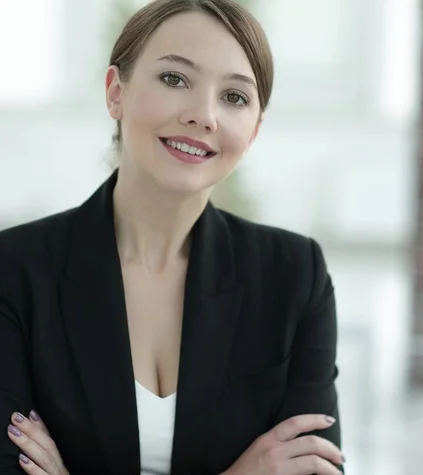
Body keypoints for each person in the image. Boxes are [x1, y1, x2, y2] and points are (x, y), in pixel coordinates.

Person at [0, 0, 344, 473]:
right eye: (175, 79)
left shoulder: (294, 275)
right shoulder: (15, 271)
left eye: (235, 98)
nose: (205, 116)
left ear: (255, 129)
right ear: (115, 92)